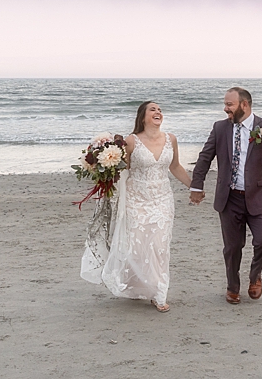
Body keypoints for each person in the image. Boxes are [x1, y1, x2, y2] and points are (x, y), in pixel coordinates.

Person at [81, 101, 191, 312]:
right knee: (137, 247)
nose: (158, 111)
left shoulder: (171, 139)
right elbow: (122, 170)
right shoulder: (131, 142)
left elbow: (175, 166)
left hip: (162, 199)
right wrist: (102, 169)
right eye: (153, 109)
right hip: (136, 200)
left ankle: (159, 293)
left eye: (160, 109)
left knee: (159, 246)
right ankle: (140, 285)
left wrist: (194, 187)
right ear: (142, 117)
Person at [189, 87, 262, 304]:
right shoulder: (220, 128)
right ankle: (232, 286)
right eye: (225, 104)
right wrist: (196, 186)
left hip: (259, 197)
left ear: (244, 105)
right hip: (230, 199)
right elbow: (205, 157)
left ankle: (255, 275)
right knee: (233, 247)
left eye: (230, 104)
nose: (225, 108)